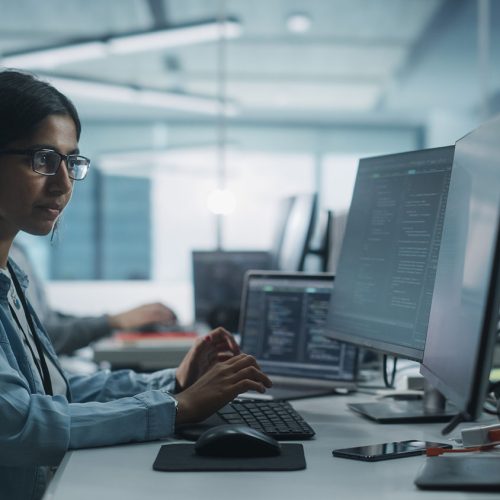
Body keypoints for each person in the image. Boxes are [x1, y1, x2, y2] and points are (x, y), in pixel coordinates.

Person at [0, 69, 272, 500]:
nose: (64, 183)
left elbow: (55, 390)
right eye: (43, 159)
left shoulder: (10, 276)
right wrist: (178, 409)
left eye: (71, 162)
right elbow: (17, 425)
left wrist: (173, 382)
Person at [9, 239, 178, 355]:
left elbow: (45, 320)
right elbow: (36, 340)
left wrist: (117, 322)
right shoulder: (10, 253)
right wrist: (111, 322)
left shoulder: (17, 249)